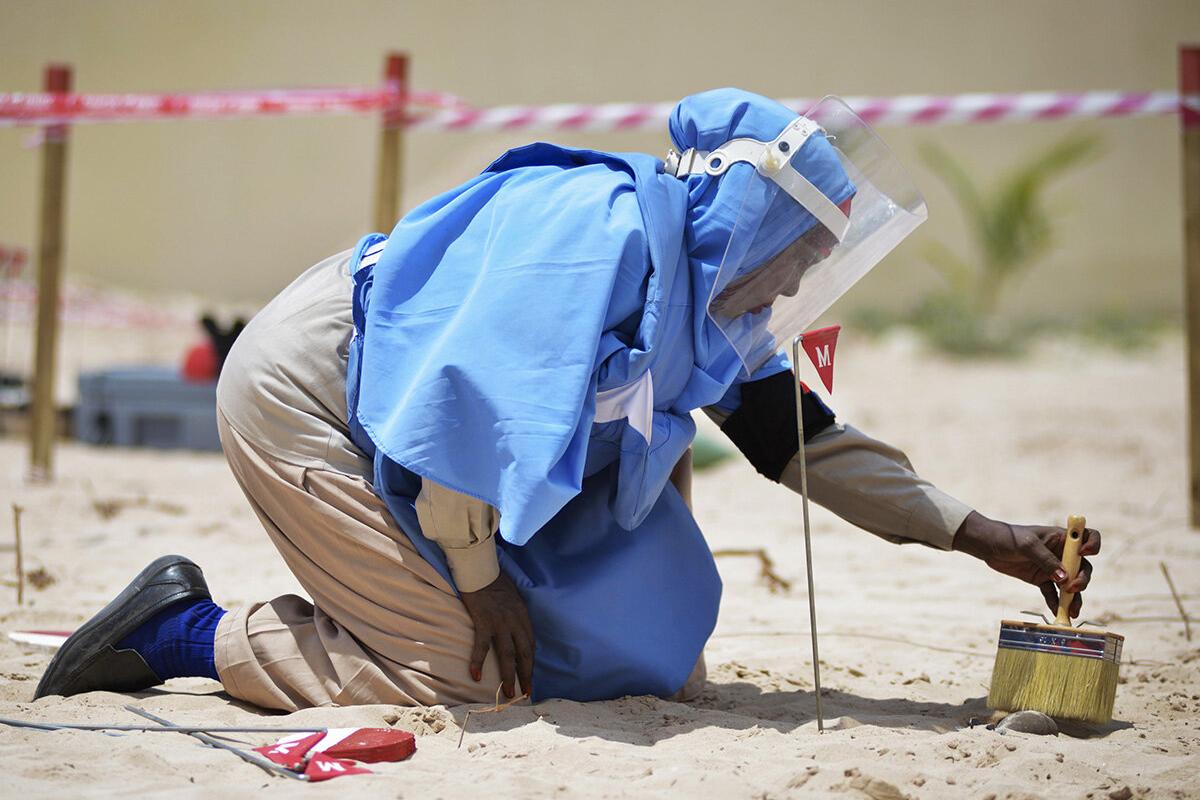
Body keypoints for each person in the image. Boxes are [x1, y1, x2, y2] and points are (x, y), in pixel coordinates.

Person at [35, 89, 1100, 710]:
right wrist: (478, 572)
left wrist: (978, 534)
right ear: (748, 217)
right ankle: (184, 628)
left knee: (641, 656)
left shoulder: (705, 295)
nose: (794, 284)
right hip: (311, 394)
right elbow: (462, 399)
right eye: (796, 255)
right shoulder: (599, 241)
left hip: (414, 428)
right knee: (462, 671)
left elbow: (796, 440)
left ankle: (395, 602)